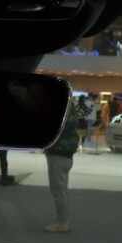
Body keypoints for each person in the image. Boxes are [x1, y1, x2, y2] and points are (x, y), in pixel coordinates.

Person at [44, 96, 81, 233]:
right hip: (65, 154)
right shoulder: (71, 111)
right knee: (61, 190)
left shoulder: (61, 115)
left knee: (58, 190)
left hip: (58, 154)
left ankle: (62, 223)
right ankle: (62, 221)